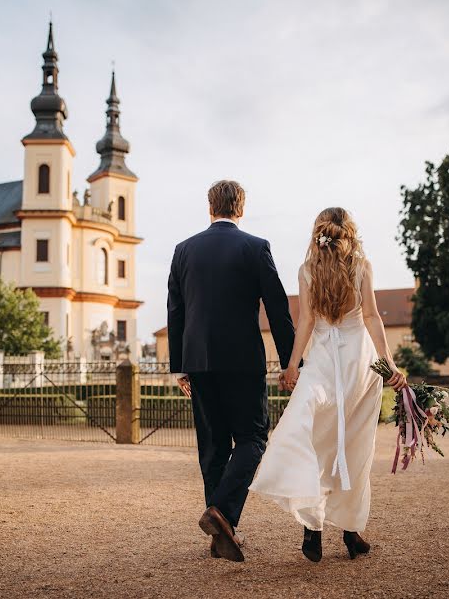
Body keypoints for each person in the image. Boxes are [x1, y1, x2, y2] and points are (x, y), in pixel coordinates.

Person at [248, 207, 406, 562]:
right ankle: (351, 534)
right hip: (361, 366)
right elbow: (371, 318)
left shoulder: (306, 271)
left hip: (320, 365)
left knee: (314, 441)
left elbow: (305, 322)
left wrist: (292, 366)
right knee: (356, 447)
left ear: (318, 235)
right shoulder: (362, 266)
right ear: (349, 233)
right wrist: (389, 364)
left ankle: (312, 530)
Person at [167, 180, 296, 562]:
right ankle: (221, 514)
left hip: (199, 360)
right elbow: (277, 309)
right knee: (253, 438)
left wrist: (181, 367)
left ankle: (220, 533)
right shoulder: (256, 247)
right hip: (242, 361)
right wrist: (292, 362)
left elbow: (176, 311)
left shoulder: (182, 250)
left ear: (211, 207)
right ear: (241, 208)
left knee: (214, 445)